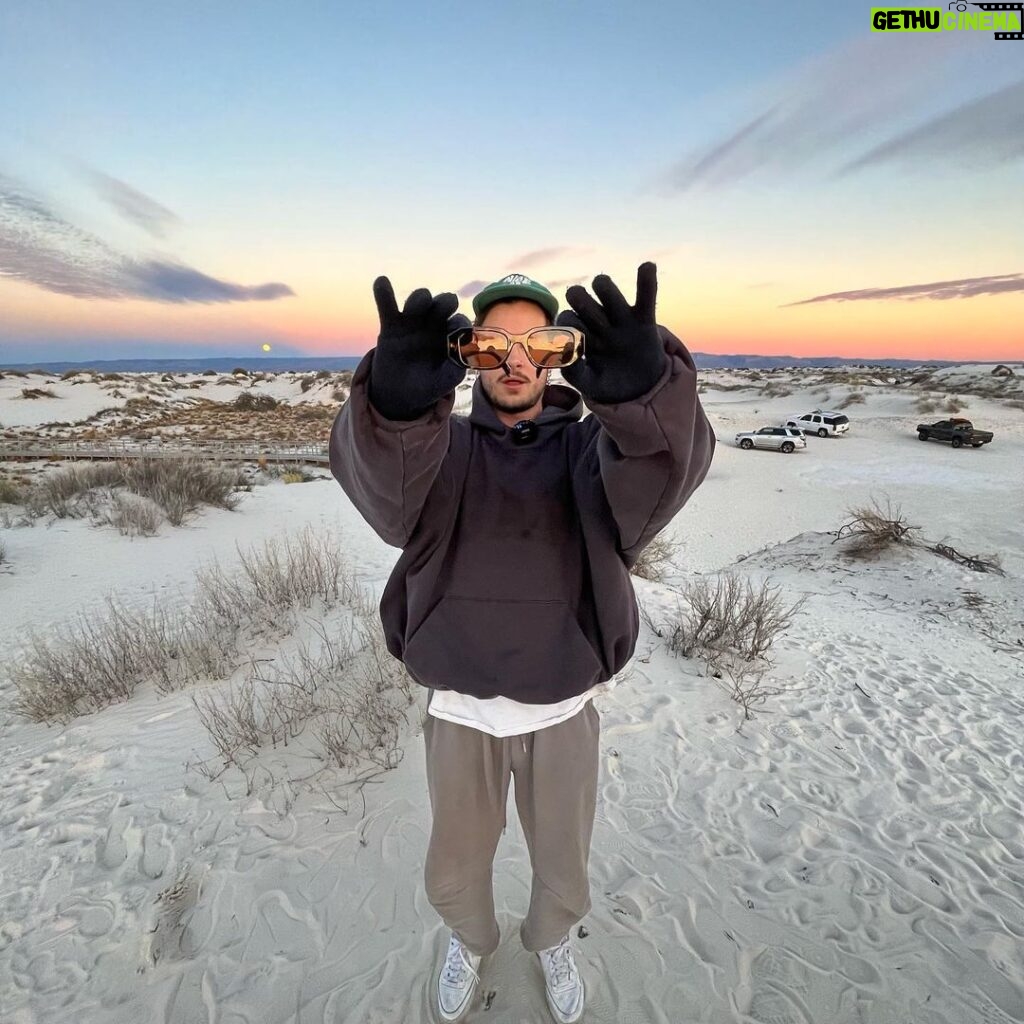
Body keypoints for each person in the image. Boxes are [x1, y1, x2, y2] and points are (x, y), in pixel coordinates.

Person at [330, 264, 715, 1023]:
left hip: (562, 705)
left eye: (536, 344)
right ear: (467, 355)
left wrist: (644, 398)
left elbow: (662, 476)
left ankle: (549, 945)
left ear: (559, 355)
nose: (514, 361)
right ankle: (470, 942)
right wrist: (396, 410)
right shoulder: (440, 450)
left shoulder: (592, 452)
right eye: (493, 344)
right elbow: (384, 495)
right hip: (460, 709)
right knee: (453, 874)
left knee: (563, 877)